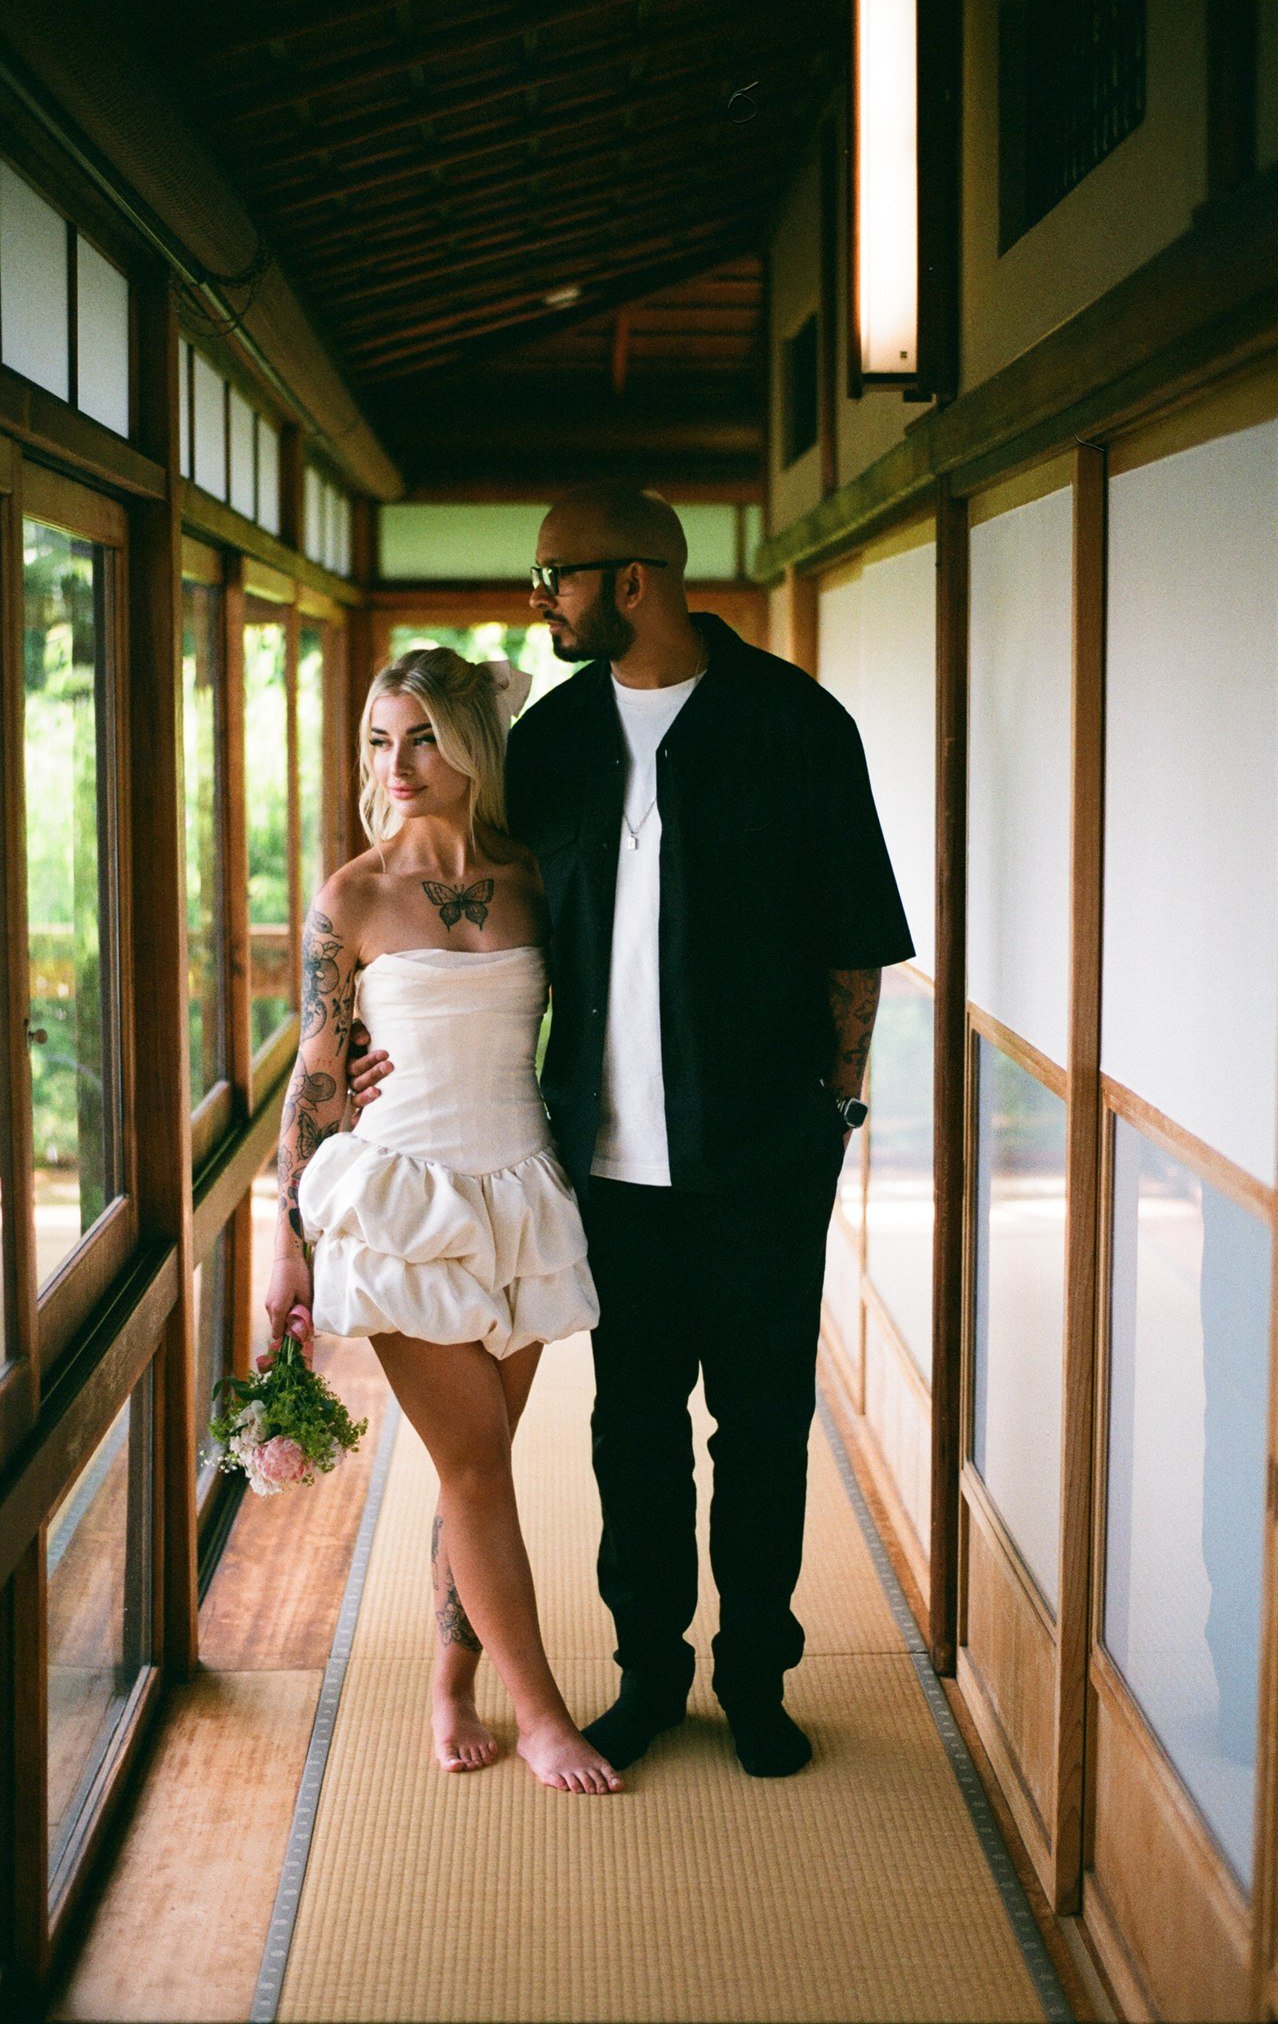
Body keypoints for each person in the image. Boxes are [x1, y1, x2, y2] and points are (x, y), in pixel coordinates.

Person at [350, 486, 912, 1779]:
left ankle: (758, 1679)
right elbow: (469, 898)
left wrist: (836, 1107)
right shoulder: (546, 743)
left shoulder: (793, 725)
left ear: (635, 581)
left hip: (767, 1152)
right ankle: (650, 1675)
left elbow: (853, 948)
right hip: (600, 1161)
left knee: (762, 1425)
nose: (535, 601)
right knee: (632, 1428)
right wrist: (393, 1024)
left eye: (553, 579)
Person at [264, 643, 621, 1795]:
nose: (398, 762)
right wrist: (286, 1236)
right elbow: (318, 1070)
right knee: (473, 1469)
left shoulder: (533, 873)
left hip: (517, 1189)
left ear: (471, 744)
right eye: (380, 738)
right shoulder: (352, 893)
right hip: (402, 1196)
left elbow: (594, 1025)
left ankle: (448, 1678)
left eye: (421, 735)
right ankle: (543, 1714)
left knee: (482, 1469)